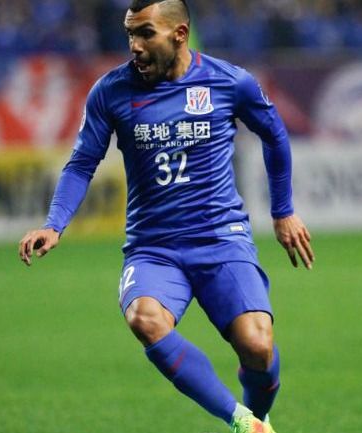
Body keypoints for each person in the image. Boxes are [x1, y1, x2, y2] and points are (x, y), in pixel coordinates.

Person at [18, 1, 314, 431]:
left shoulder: (229, 82)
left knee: (258, 346)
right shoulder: (110, 91)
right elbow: (82, 163)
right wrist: (54, 223)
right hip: (154, 248)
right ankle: (240, 421)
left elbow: (274, 134)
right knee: (144, 317)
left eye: (145, 34)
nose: (134, 46)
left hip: (220, 238)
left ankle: (260, 417)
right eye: (129, 35)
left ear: (179, 34)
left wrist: (283, 211)